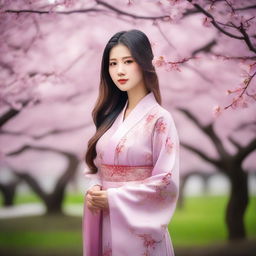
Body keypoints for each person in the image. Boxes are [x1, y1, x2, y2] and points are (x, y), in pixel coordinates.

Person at [83, 29, 180, 256]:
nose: (120, 70)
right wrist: (95, 188)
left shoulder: (160, 119)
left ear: (144, 63)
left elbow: (166, 183)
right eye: (113, 63)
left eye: (128, 61)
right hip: (107, 222)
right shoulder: (110, 117)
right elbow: (98, 168)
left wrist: (114, 198)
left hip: (139, 230)